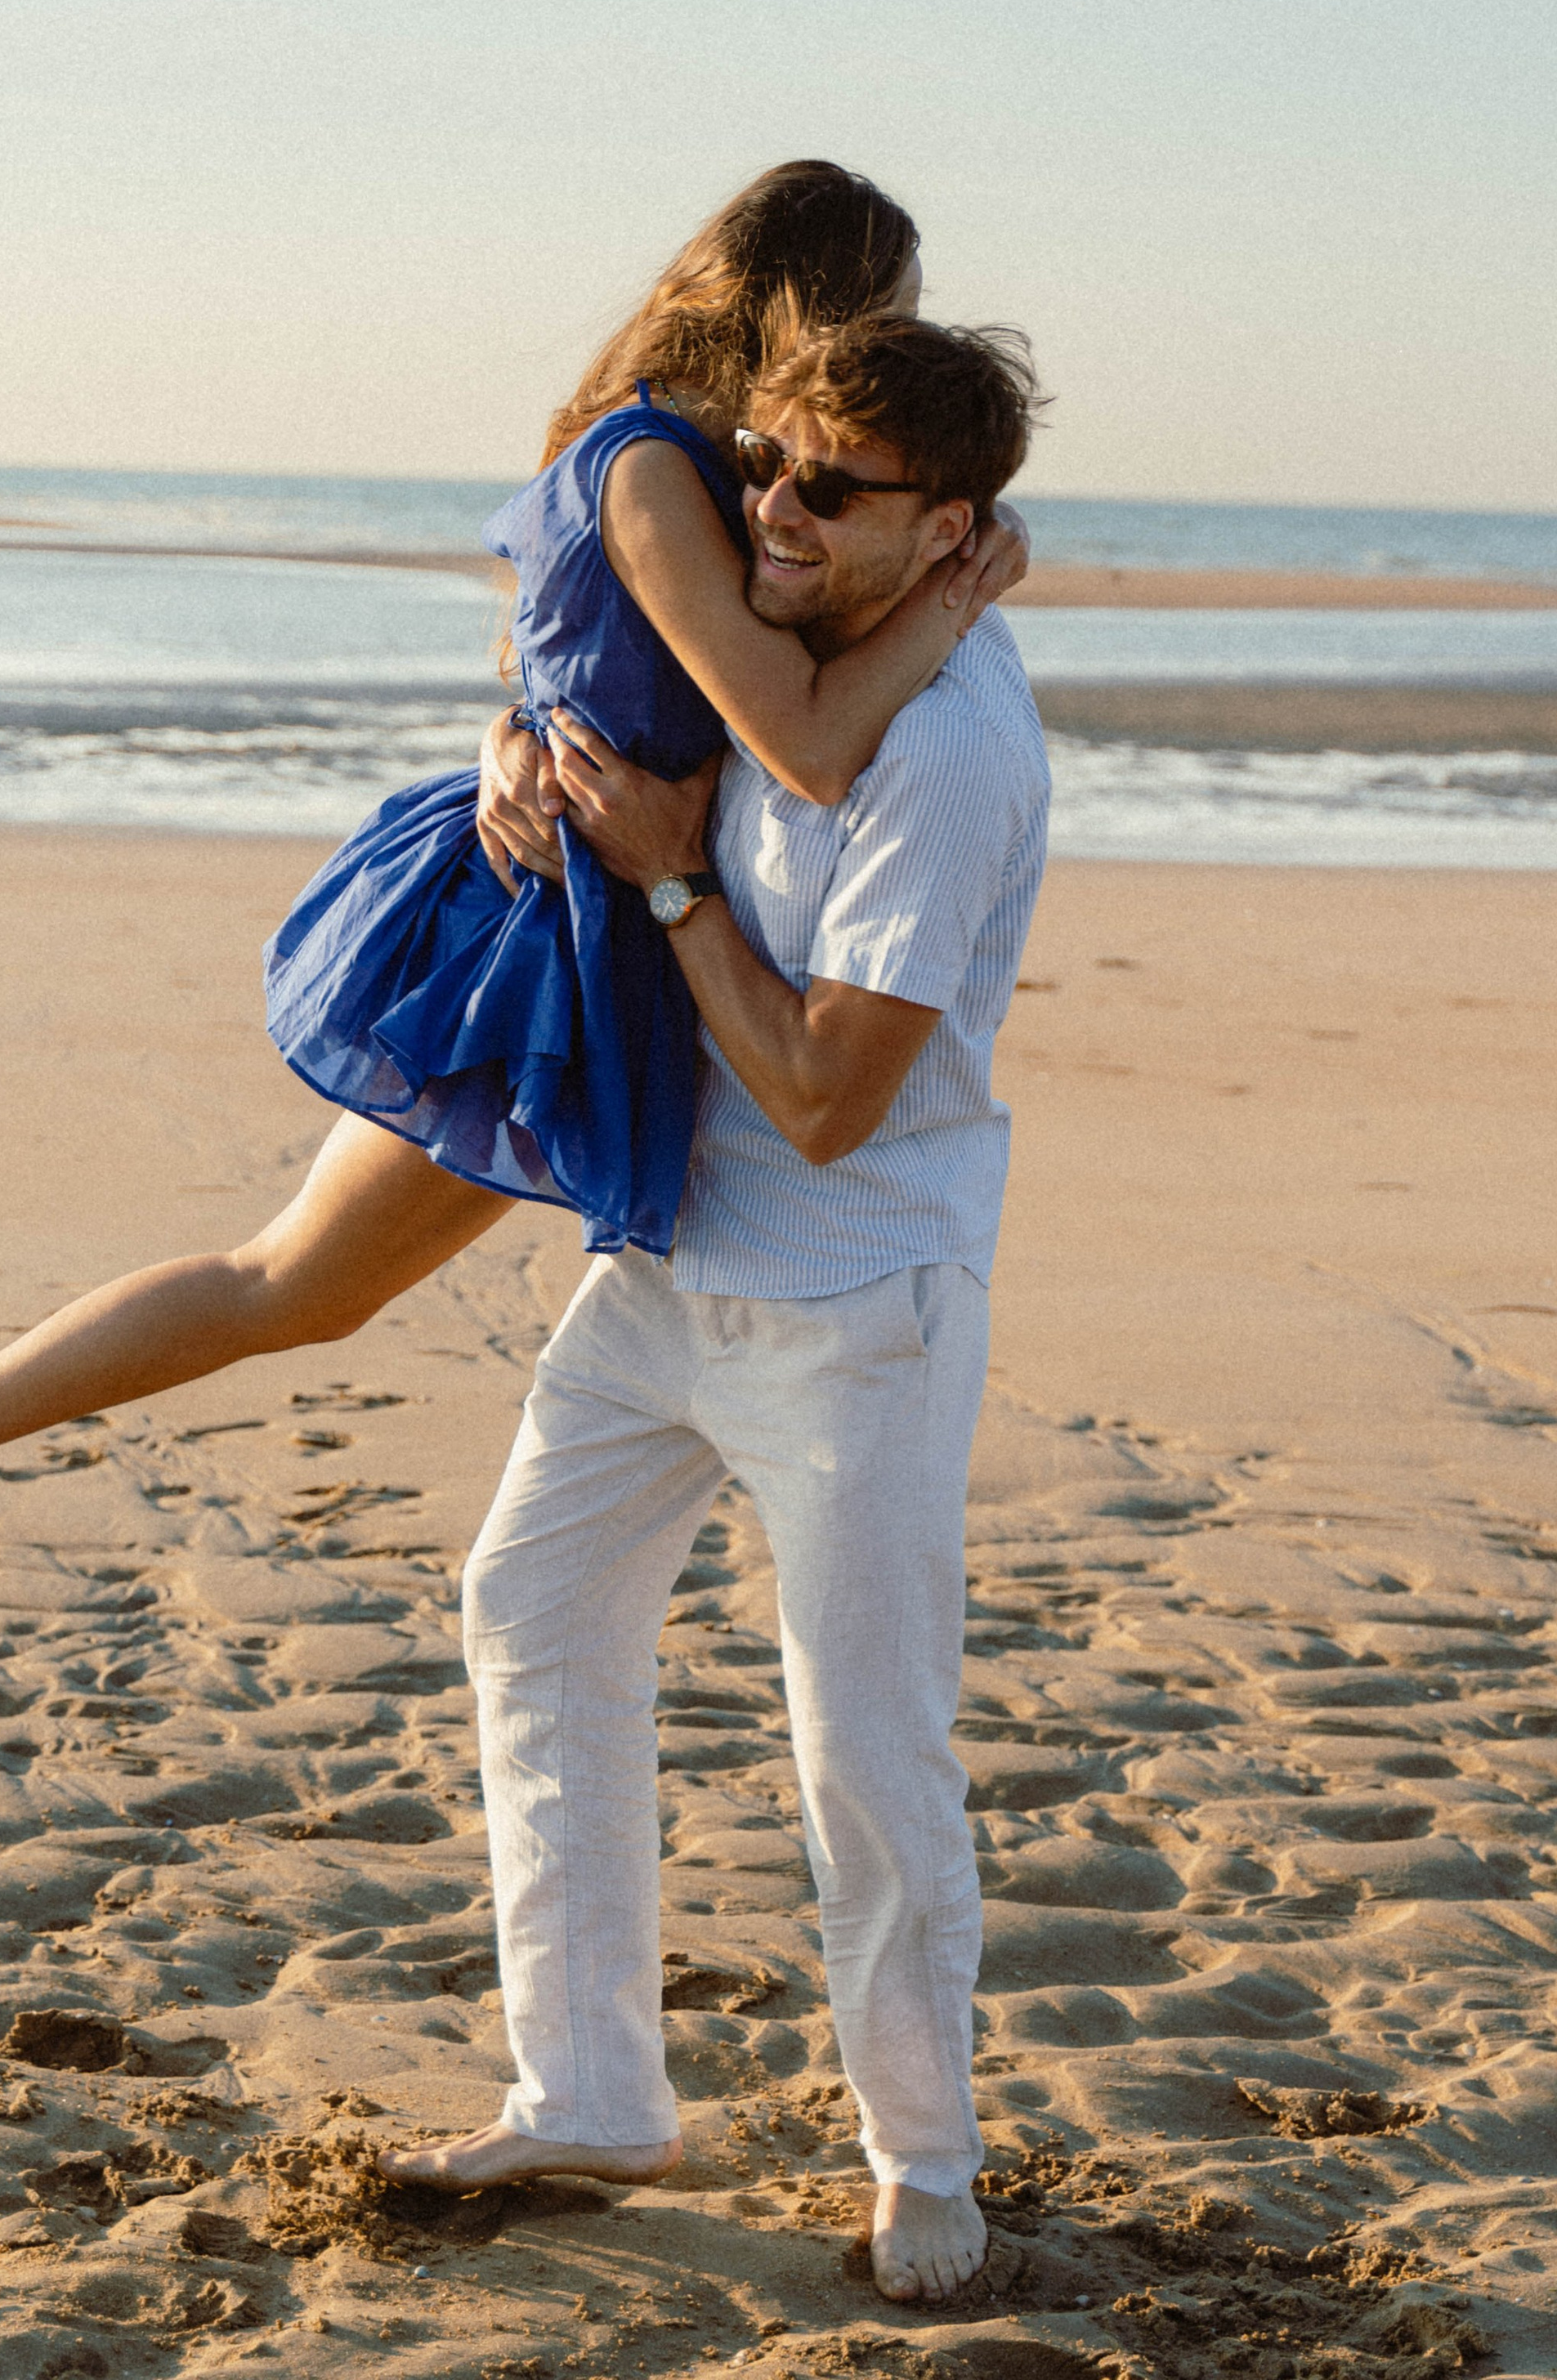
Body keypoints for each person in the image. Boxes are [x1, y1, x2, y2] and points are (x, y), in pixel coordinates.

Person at [0, 162, 1024, 1580]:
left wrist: (529, 726)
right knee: (297, 1281)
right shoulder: (654, 465)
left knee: (302, 1285)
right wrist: (952, 600)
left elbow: (595, 672)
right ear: (819, 308)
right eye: (890, 319)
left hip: (599, 906)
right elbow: (801, 744)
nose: (895, 365)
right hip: (549, 935)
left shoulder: (730, 478)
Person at [382, 311, 1052, 2309]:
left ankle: (922, 2159)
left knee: (861, 1747)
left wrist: (675, 890)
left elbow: (835, 1101)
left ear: (944, 533)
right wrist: (518, 753)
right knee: (528, 1602)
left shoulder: (945, 746)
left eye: (822, 493)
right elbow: (585, 663)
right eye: (763, 461)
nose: (767, 508)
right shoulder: (812, 659)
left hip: (860, 1299)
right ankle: (588, 2093)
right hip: (670, 1258)